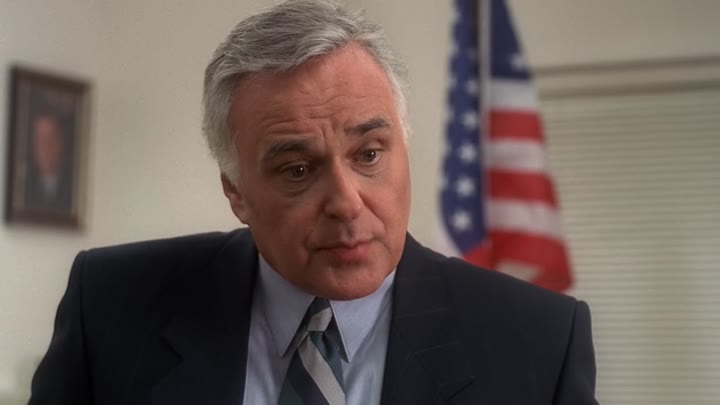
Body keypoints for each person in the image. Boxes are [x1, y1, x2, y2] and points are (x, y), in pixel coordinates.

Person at [29, 1, 598, 404]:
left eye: (369, 155)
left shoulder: (538, 342)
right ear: (235, 192)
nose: (346, 203)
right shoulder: (110, 308)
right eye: (298, 170)